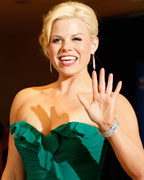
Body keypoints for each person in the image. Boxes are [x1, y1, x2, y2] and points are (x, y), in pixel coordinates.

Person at [2, 1, 144, 179]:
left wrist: (108, 126)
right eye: (56, 40)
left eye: (76, 38)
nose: (66, 47)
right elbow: (13, 173)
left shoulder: (112, 102)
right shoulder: (24, 99)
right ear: (47, 47)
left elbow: (141, 173)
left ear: (93, 44)